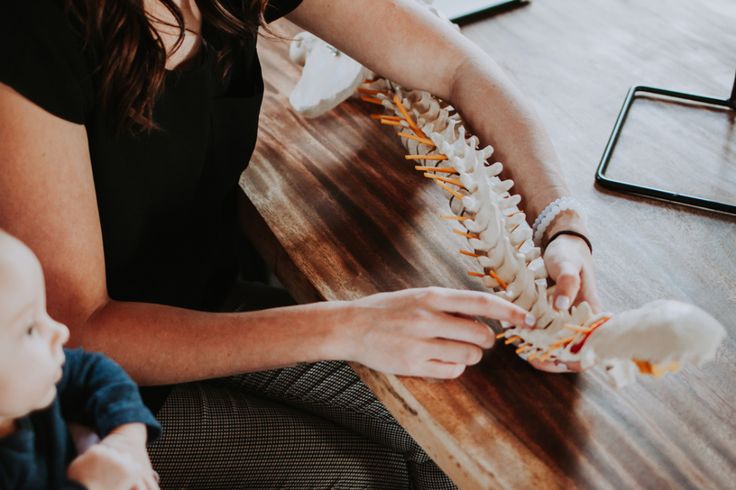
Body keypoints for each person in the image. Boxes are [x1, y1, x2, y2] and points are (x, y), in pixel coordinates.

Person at [0, 0, 600, 487]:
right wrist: (350, 326)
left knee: (459, 441)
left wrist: (561, 224)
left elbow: (459, 68)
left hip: (219, 306)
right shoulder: (30, 28)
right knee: (368, 477)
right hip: (89, 392)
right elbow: (79, 327)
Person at [0, 229, 161, 489]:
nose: (60, 331)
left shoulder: (26, 389)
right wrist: (90, 483)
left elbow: (95, 372)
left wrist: (127, 439)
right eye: (30, 328)